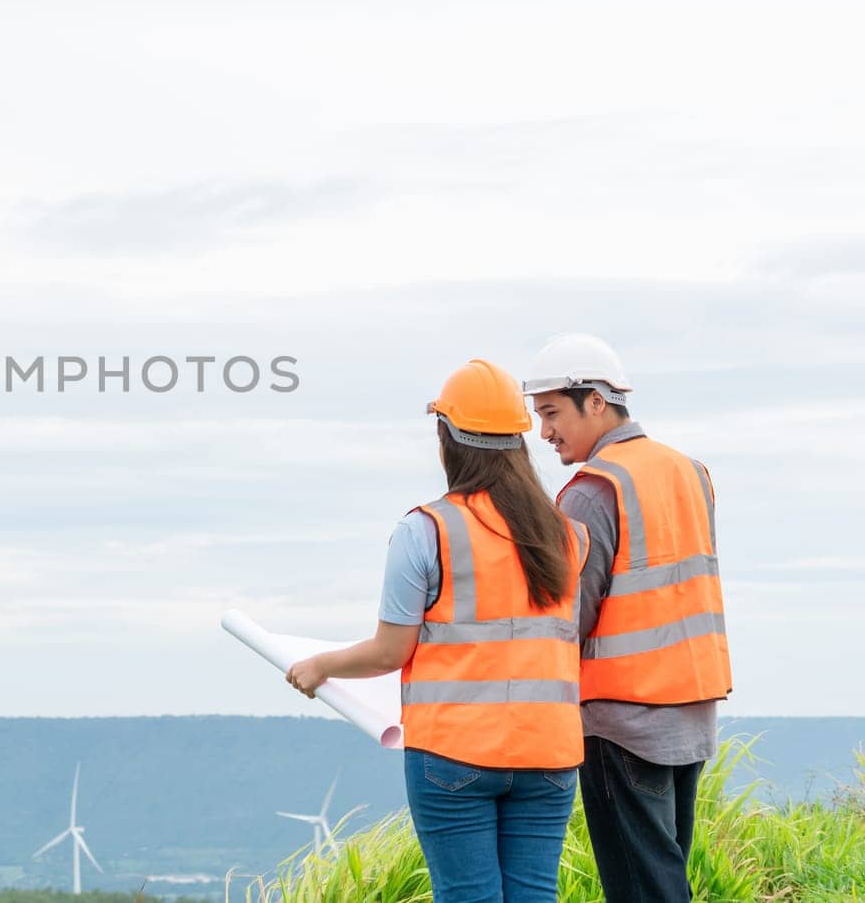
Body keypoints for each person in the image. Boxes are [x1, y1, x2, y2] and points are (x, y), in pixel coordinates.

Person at [287, 359, 589, 903]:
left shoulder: (425, 530)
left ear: (446, 436)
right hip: (549, 753)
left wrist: (320, 665)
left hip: (455, 756)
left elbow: (389, 651)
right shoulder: (569, 537)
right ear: (520, 442)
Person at [522, 333, 732, 903]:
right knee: (666, 871)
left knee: (640, 885)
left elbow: (569, 617)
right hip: (690, 706)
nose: (544, 433)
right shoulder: (691, 472)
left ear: (596, 400)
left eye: (551, 413)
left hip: (624, 717)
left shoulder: (592, 491)